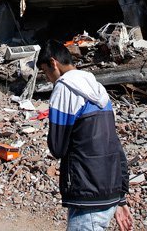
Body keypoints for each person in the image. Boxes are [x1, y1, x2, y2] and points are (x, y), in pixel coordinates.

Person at [37, 41, 134, 231]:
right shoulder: (99, 90)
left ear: (53, 63)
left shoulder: (64, 88)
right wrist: (120, 198)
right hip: (110, 194)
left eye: (45, 71)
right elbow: (114, 146)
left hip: (86, 193)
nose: (48, 78)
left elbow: (57, 148)